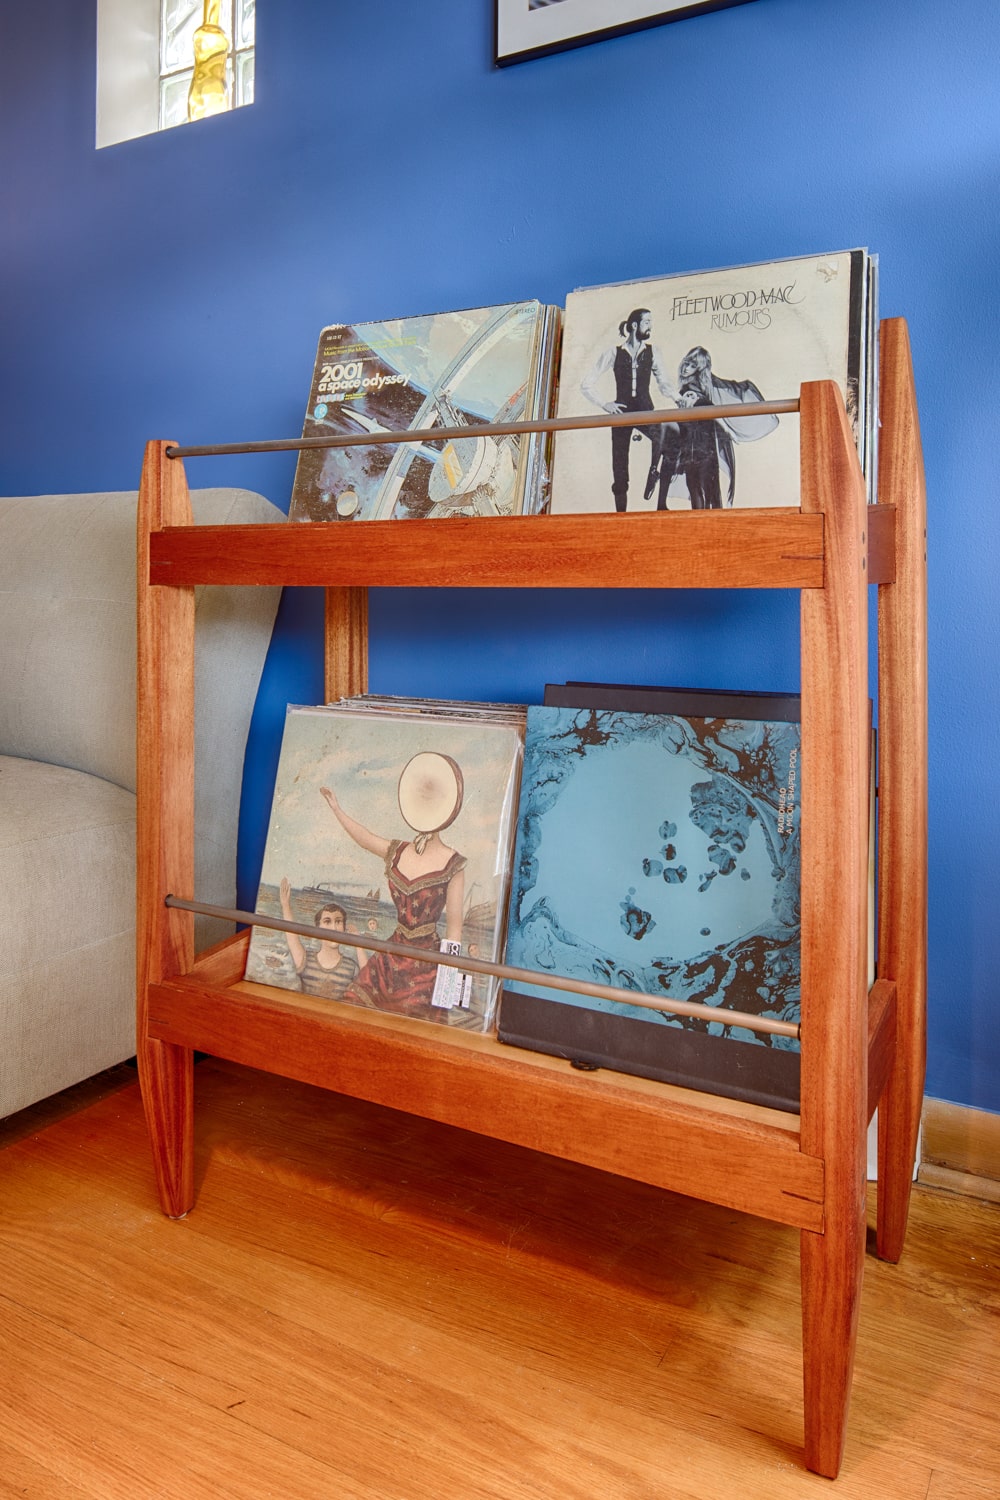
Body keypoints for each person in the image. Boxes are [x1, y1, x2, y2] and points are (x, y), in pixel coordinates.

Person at [319, 781, 466, 1018]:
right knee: (351, 1006)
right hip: (390, 957)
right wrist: (337, 808)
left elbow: (454, 932)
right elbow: (365, 839)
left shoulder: (454, 864)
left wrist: (447, 990)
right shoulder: (397, 851)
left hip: (426, 965)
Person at [654, 346, 779, 510]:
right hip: (696, 442)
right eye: (686, 363)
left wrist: (727, 429)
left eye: (692, 365)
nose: (686, 368)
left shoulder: (694, 389)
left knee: (700, 486)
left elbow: (708, 408)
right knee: (700, 487)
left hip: (700, 443)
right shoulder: (696, 387)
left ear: (699, 369)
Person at [580, 308, 677, 512]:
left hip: (646, 411)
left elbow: (664, 383)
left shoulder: (653, 351)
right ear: (634, 325)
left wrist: (678, 398)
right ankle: (621, 515)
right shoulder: (613, 353)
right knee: (619, 466)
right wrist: (605, 404)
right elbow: (586, 384)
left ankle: (659, 496)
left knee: (670, 445)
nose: (650, 326)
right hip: (621, 414)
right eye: (647, 322)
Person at [278, 878, 359, 1001]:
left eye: (338, 922)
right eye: (327, 922)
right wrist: (285, 906)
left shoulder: (352, 968)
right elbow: (292, 936)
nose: (334, 928)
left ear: (344, 928)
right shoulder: (306, 960)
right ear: (317, 929)